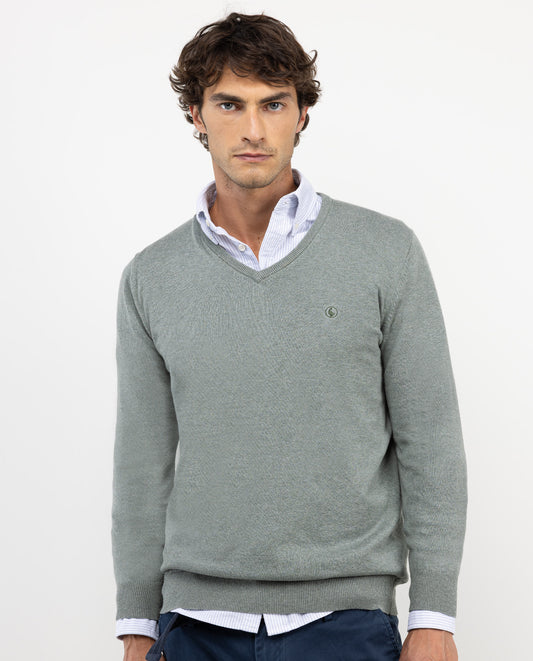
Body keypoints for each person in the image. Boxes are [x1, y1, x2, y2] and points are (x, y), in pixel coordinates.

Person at [111, 12, 467, 661]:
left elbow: (431, 440)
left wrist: (434, 614)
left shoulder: (385, 252)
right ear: (196, 114)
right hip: (195, 623)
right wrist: (136, 625)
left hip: (346, 619)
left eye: (272, 103)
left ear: (301, 112)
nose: (253, 129)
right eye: (229, 104)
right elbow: (141, 465)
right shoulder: (151, 276)